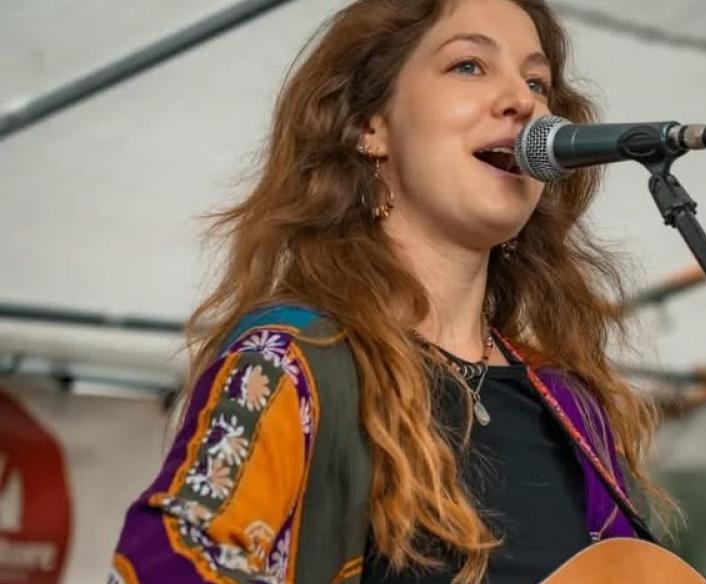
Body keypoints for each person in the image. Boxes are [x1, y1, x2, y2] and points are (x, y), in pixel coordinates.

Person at [109, 0, 673, 582]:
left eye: (537, 81)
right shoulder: (289, 365)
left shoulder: (575, 411)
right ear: (370, 127)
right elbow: (162, 565)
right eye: (469, 66)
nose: (524, 101)